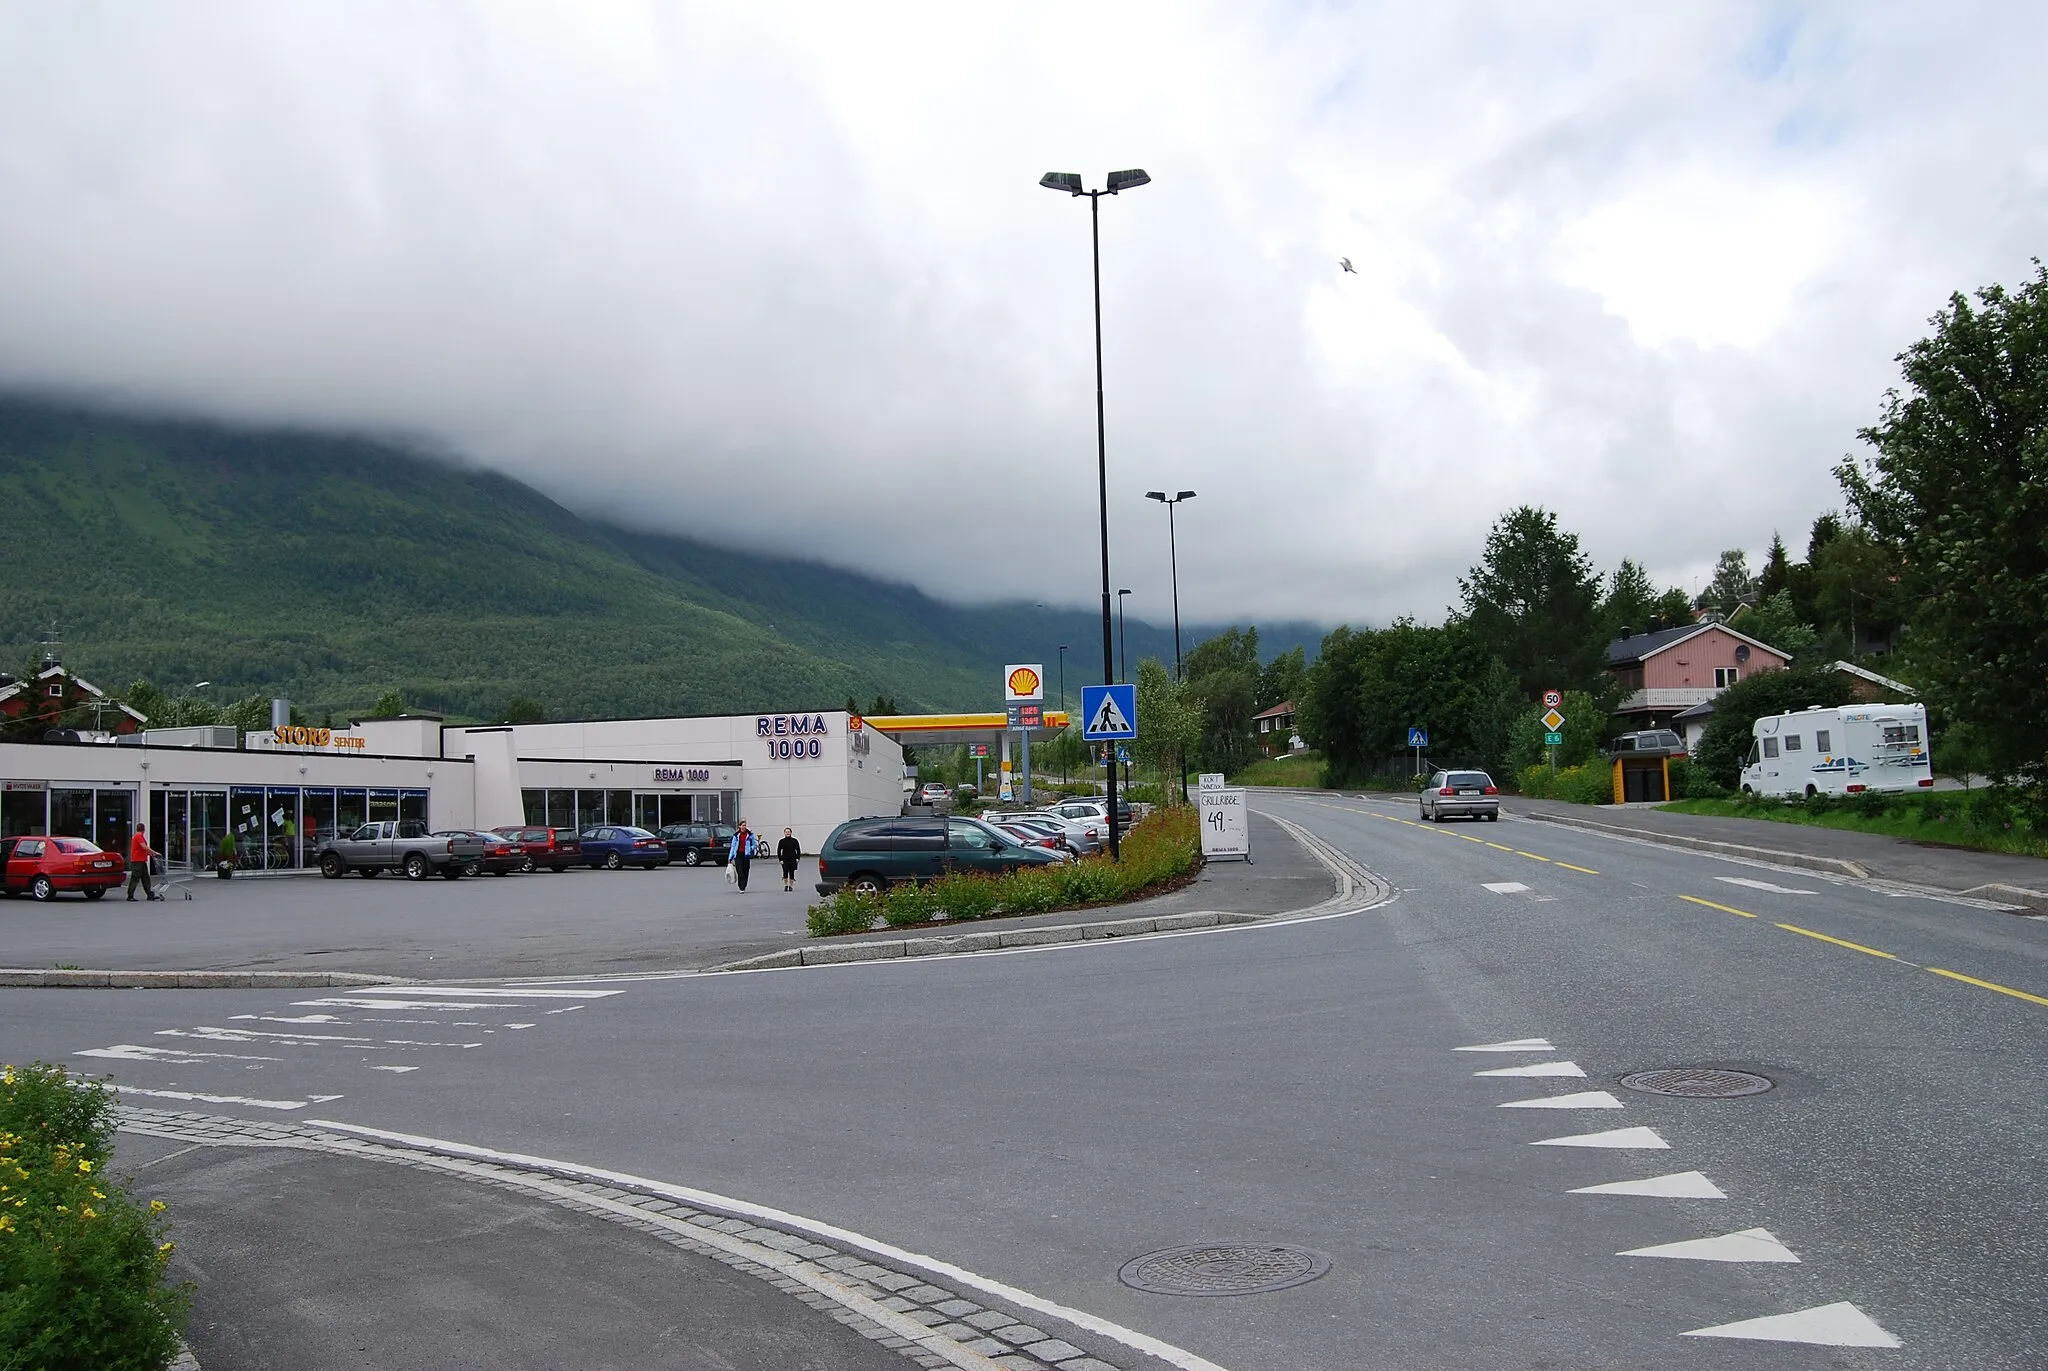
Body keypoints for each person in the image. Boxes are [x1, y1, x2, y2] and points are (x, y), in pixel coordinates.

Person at [126, 825, 160, 902]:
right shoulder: (138, 836)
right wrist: (154, 852)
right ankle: (130, 895)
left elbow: (140, 849)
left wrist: (149, 854)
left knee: (145, 877)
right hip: (137, 861)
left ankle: (149, 894)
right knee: (135, 878)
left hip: (141, 860)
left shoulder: (136, 836)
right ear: (143, 829)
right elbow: (144, 847)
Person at [728, 821, 755, 892]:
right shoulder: (736, 835)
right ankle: (741, 887)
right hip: (738, 855)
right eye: (742, 825)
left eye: (745, 825)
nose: (744, 827)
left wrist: (751, 848)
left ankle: (744, 884)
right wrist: (730, 857)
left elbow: (754, 844)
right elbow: (733, 846)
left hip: (746, 855)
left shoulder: (750, 835)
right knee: (740, 871)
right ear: (739, 827)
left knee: (746, 870)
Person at [776, 827, 801, 892]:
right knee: (785, 872)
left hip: (793, 859)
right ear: (784, 833)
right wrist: (780, 859)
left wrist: (798, 858)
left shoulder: (794, 841)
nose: (787, 833)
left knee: (792, 872)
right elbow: (779, 851)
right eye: (786, 832)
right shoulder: (781, 841)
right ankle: (786, 885)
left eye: (789, 832)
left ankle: (790, 886)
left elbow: (798, 850)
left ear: (791, 833)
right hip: (784, 859)